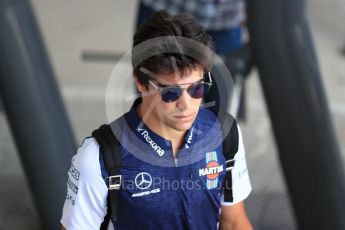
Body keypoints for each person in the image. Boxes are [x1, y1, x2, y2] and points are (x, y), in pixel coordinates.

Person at [61, 11, 252, 230]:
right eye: (170, 93)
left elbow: (234, 221)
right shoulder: (99, 158)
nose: (186, 104)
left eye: (197, 88)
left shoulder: (225, 135)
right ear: (141, 83)